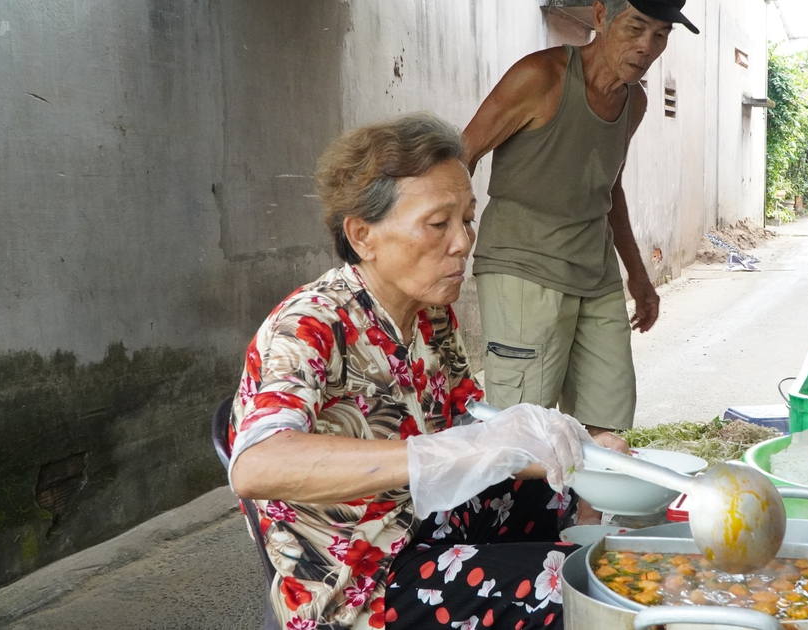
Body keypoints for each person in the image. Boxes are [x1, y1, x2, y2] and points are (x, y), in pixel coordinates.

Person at [228, 113, 612, 630]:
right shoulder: (311, 325)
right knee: (575, 588)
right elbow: (256, 465)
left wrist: (571, 448)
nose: (462, 242)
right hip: (361, 580)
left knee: (565, 492)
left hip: (421, 522)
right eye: (438, 224)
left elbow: (474, 425)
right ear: (363, 235)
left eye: (468, 219)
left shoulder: (429, 313)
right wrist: (443, 452)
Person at [462, 0, 699, 519]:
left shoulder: (632, 103)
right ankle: (509, 547)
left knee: (608, 419)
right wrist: (445, 245)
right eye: (636, 27)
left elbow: (608, 186)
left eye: (660, 36)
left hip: (594, 271)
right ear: (599, 17)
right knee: (521, 428)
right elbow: (464, 153)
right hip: (522, 268)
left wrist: (638, 276)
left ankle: (585, 538)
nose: (647, 46)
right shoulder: (540, 77)